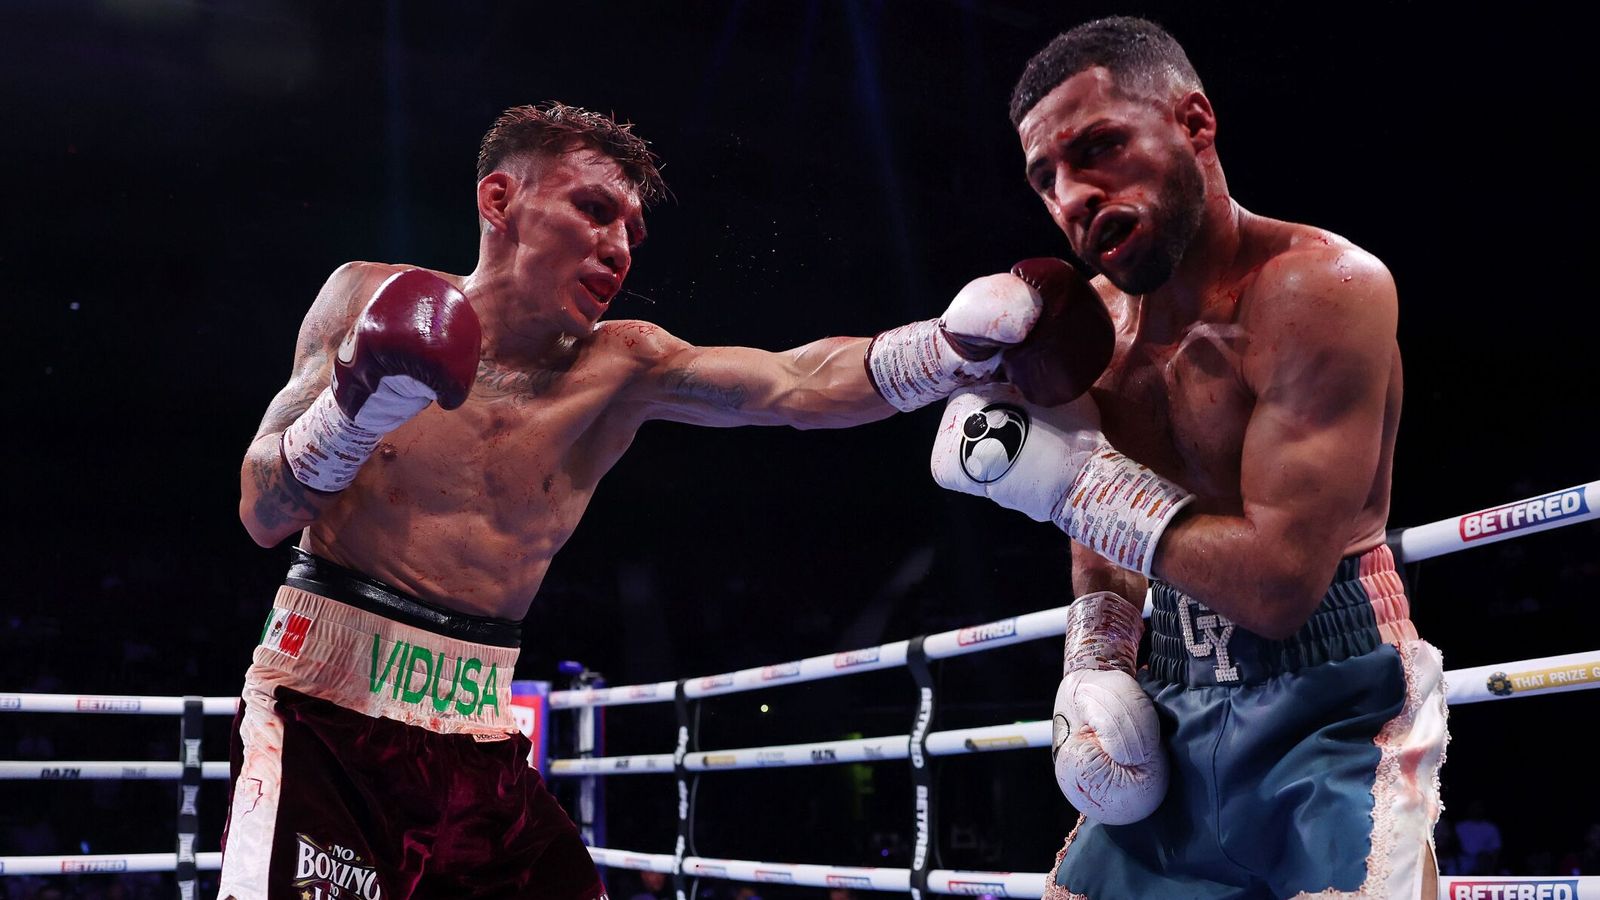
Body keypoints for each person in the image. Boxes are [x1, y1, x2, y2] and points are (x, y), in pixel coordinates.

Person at [224, 101, 1063, 900]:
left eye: (632, 230)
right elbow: (263, 513)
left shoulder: (621, 367)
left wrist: (953, 349)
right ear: (499, 200)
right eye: (593, 210)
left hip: (477, 732)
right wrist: (352, 406)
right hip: (320, 708)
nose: (620, 247)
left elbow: (795, 381)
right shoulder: (367, 296)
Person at [929, 17, 1448, 899]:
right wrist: (1097, 656)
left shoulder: (1319, 287)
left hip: (1332, 696)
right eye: (1045, 179)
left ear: (1194, 124)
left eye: (1099, 148)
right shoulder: (1091, 330)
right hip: (1172, 687)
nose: (1072, 197)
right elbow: (1104, 538)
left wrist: (1061, 479)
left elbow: (1278, 586)